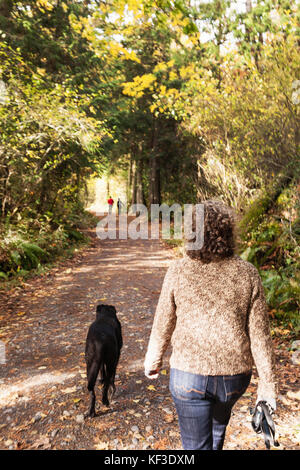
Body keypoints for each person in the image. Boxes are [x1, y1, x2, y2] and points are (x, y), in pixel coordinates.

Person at [144, 200, 276, 450]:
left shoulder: (178, 270)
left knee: (196, 446)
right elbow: (260, 336)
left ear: (191, 232)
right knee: (216, 434)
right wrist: (267, 386)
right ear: (228, 233)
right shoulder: (247, 273)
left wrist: (153, 359)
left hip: (188, 377)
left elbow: (163, 321)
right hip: (234, 378)